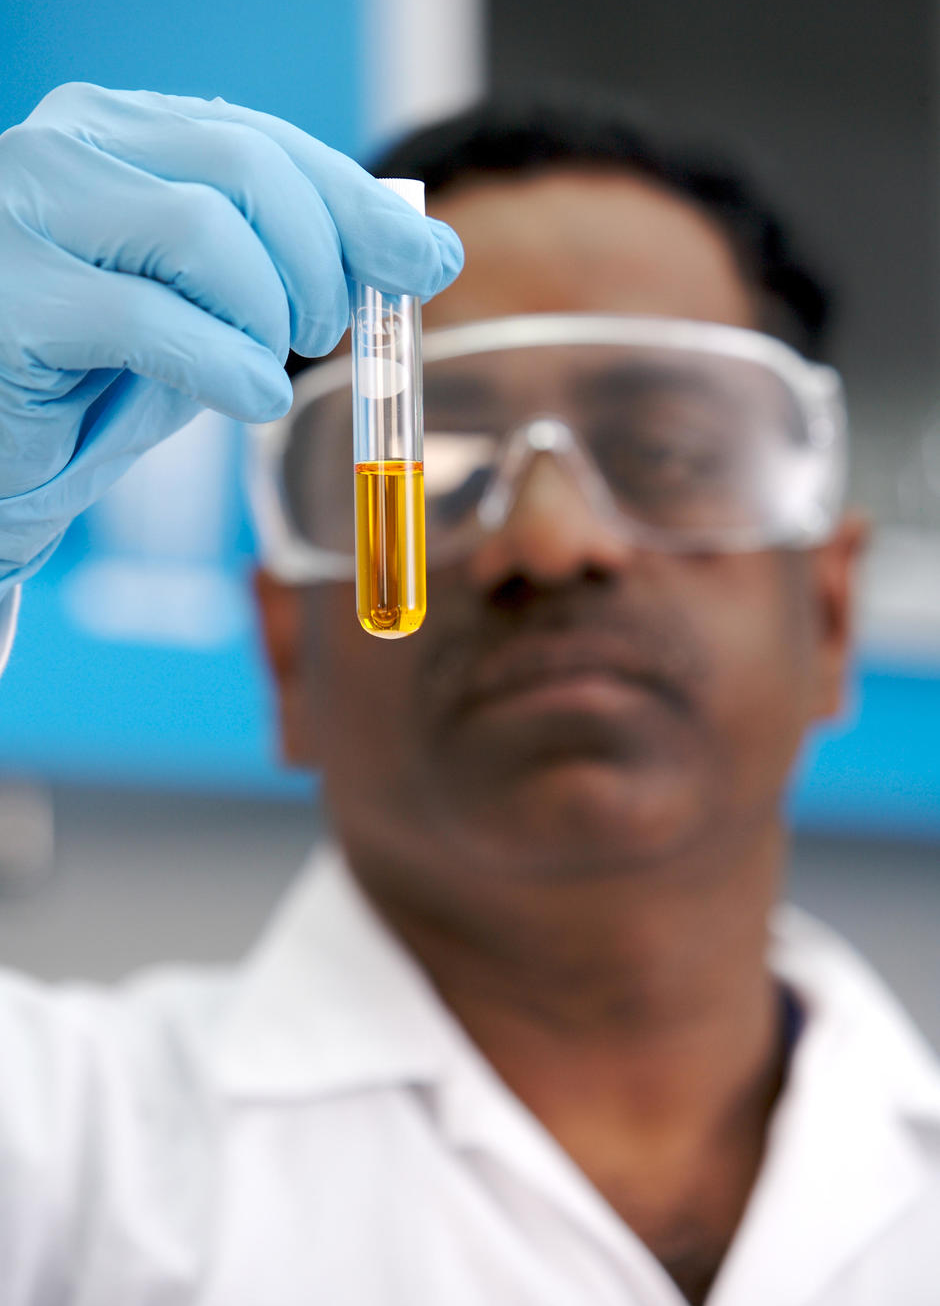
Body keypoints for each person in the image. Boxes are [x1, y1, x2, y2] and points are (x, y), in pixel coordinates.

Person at [0, 84, 936, 1306]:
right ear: (285, 650)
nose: (549, 541)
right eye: (439, 465)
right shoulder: (63, 1163)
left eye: (664, 452)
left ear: (826, 610)